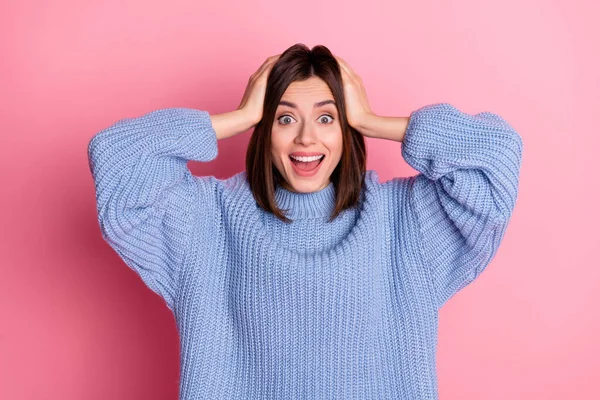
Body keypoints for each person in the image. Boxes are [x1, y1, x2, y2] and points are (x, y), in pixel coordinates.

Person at [87, 43, 523, 399]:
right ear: (264, 130)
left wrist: (372, 121)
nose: (306, 138)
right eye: (285, 118)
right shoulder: (205, 220)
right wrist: (239, 117)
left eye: (327, 118)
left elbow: (497, 158)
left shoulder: (405, 223)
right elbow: (115, 156)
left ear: (345, 131)